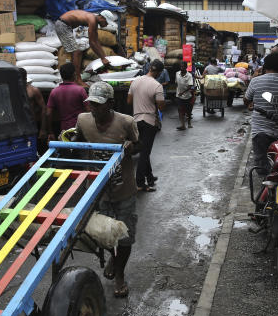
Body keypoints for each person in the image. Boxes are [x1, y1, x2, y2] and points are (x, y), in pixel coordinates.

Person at [74, 82, 140, 298]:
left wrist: (131, 147)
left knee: (125, 236)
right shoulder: (83, 120)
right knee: (104, 234)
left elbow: (138, 144)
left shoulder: (126, 122)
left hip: (123, 189)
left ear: (111, 104)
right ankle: (113, 257)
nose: (94, 109)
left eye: (99, 105)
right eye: (91, 104)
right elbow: (77, 140)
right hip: (98, 189)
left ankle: (120, 274)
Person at [243, 52, 278, 173]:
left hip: (260, 131)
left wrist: (251, 105)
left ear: (265, 66)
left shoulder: (256, 81)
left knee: (262, 168)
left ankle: (265, 190)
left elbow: (246, 100)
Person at [127, 59, 165, 191]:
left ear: (149, 68)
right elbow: (161, 106)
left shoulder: (135, 81)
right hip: (150, 121)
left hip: (137, 120)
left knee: (144, 149)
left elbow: (129, 101)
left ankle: (150, 177)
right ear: (159, 72)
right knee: (145, 153)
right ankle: (140, 183)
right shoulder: (157, 86)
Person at [55, 9, 111, 81]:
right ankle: (78, 80)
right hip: (63, 25)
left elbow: (96, 40)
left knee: (78, 52)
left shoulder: (94, 20)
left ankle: (75, 77)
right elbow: (92, 43)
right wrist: (102, 58)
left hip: (66, 25)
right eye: (106, 22)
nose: (106, 25)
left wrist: (104, 56)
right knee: (76, 52)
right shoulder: (92, 20)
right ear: (102, 17)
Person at [45, 62, 87, 139]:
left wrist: (50, 132)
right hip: (80, 128)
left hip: (64, 129)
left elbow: (48, 114)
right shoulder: (80, 90)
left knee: (66, 149)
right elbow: (89, 111)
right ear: (74, 74)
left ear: (61, 75)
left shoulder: (54, 92)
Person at [19, 68, 47, 144]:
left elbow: (43, 108)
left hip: (31, 124)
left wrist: (43, 129)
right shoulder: (14, 90)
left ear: (25, 78)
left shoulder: (33, 90)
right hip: (19, 126)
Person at [174, 60, 196, 130]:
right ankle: (182, 125)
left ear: (186, 67)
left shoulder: (189, 75)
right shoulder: (177, 74)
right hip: (179, 95)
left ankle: (189, 123)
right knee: (180, 109)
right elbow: (176, 83)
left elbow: (190, 86)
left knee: (188, 111)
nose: (181, 68)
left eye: (183, 67)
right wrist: (178, 91)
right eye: (181, 66)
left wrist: (183, 92)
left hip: (187, 96)